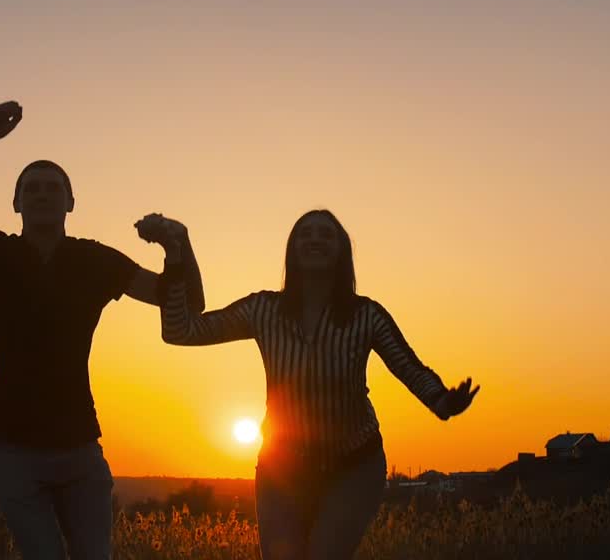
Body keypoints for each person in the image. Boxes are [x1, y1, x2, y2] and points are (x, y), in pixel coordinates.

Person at [0, 100, 203, 560]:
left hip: (79, 449)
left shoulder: (95, 261)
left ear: (72, 201)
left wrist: (180, 242)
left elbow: (185, 302)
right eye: (31, 188)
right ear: (15, 203)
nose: (42, 194)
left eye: (53, 187)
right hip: (13, 449)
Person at [145, 209, 478, 560]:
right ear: (291, 251)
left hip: (353, 466)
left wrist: (442, 402)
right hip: (281, 469)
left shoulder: (366, 315)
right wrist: (175, 253)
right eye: (305, 233)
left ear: (342, 252)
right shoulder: (263, 309)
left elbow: (408, 366)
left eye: (326, 234)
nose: (315, 239)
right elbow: (181, 331)